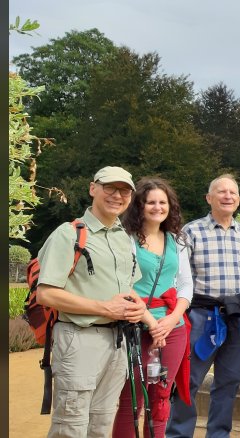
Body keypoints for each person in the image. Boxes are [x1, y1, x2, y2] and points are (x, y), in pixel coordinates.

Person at [34, 166, 156, 437]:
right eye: (109, 187)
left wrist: (140, 310)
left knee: (101, 424)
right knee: (71, 425)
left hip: (117, 343)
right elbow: (46, 293)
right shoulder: (68, 234)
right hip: (79, 339)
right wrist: (105, 308)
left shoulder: (123, 238)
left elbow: (128, 288)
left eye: (124, 190)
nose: (117, 195)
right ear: (93, 189)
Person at [166, 174, 240, 438]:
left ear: (238, 199)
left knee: (228, 382)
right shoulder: (190, 232)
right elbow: (178, 278)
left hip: (236, 316)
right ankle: (179, 434)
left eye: (233, 193)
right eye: (221, 192)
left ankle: (218, 434)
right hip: (201, 315)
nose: (228, 196)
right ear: (209, 198)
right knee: (188, 380)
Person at [113, 177, 194, 438]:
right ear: (139, 205)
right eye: (150, 202)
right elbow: (123, 284)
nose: (157, 207)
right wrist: (151, 322)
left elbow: (185, 285)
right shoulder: (126, 240)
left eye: (163, 202)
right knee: (131, 399)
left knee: (160, 398)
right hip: (136, 325)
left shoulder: (176, 240)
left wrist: (172, 319)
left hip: (173, 327)